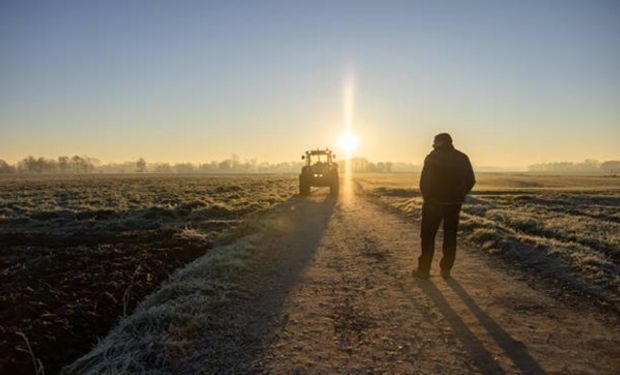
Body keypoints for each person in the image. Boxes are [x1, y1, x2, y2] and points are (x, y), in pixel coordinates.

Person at [413, 133, 475, 279]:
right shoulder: (463, 158)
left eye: (434, 142)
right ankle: (446, 269)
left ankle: (424, 270)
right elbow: (471, 180)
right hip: (454, 204)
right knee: (450, 236)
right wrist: (460, 195)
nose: (433, 145)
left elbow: (425, 181)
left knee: (428, 236)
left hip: (433, 203)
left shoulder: (433, 157)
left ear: (439, 142)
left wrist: (427, 198)